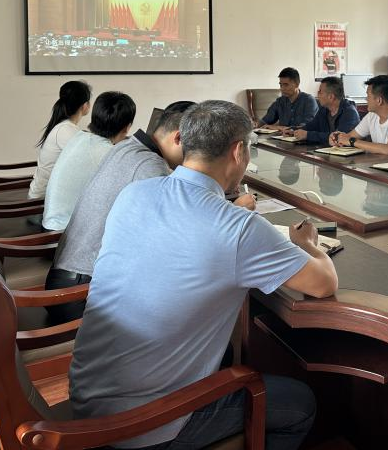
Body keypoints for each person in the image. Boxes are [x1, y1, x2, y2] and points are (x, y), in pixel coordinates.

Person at [69, 100, 338, 450]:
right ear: (239, 152)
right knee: (300, 404)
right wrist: (309, 244)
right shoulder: (238, 228)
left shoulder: (134, 193)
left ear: (182, 141)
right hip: (146, 426)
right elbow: (323, 283)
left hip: (87, 398)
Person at [44, 101, 195, 324]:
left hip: (65, 280)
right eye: (196, 147)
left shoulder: (128, 147)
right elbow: (172, 235)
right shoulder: (150, 165)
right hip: (81, 294)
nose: (195, 156)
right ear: (179, 138)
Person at [42, 91, 136, 231]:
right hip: (62, 233)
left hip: (53, 222)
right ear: (127, 127)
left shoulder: (80, 137)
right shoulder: (109, 153)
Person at [28, 80, 92, 199]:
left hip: (48, 195)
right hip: (43, 201)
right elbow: (89, 162)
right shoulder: (65, 130)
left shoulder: (64, 127)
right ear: (85, 105)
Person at [331, 75, 388, 154]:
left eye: (368, 96)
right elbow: (350, 137)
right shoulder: (372, 115)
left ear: (379, 100)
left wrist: (351, 141)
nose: (366, 99)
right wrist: (337, 138)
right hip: (386, 164)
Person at [289, 76, 360, 145]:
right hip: (325, 150)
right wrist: (292, 130)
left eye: (320, 92)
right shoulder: (324, 109)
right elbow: (311, 127)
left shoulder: (350, 112)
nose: (317, 94)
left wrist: (308, 135)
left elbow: (338, 138)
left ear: (331, 97)